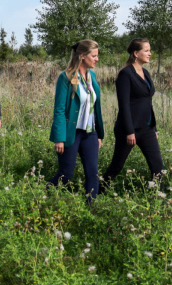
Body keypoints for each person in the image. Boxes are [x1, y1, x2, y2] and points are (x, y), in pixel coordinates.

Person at [101, 38, 164, 193]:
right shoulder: (125, 74)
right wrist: (130, 131)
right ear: (136, 53)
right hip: (128, 129)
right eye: (146, 50)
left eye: (150, 50)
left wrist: (154, 127)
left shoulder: (146, 73)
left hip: (147, 128)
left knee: (157, 167)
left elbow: (147, 103)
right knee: (117, 165)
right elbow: (124, 106)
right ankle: (97, 192)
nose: (150, 53)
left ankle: (161, 200)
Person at [48, 40, 105, 204]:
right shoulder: (65, 77)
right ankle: (45, 194)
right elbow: (59, 109)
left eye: (97, 56)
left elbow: (95, 106)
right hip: (71, 133)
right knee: (66, 175)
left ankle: (91, 208)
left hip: (90, 133)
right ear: (82, 56)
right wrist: (59, 137)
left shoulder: (91, 76)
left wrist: (98, 135)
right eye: (93, 56)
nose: (97, 59)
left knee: (92, 173)